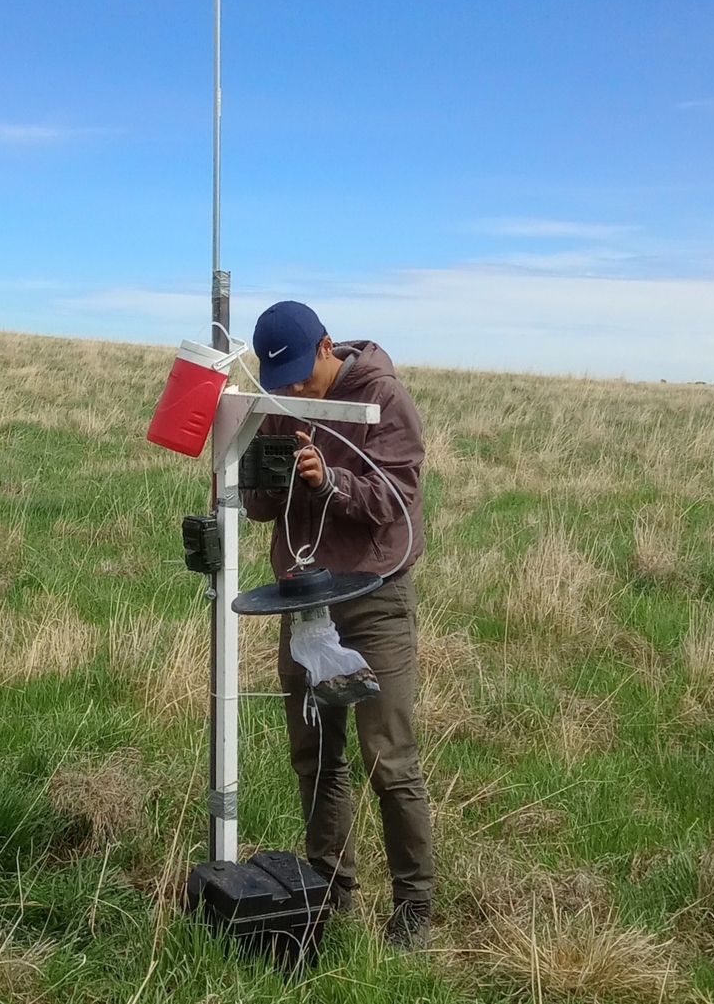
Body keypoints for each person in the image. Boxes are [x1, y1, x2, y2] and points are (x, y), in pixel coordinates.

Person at [242, 299, 433, 949]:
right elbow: (261, 507)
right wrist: (264, 477)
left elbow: (397, 503)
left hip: (374, 598)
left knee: (390, 759)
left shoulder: (382, 396)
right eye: (280, 380)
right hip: (305, 604)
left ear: (328, 346)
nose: (293, 388)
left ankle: (413, 908)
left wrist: (332, 484)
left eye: (300, 373)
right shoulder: (280, 401)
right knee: (316, 755)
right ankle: (329, 892)